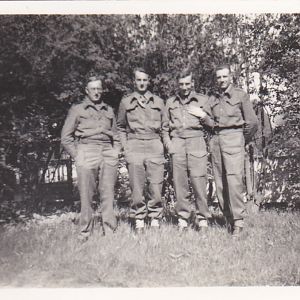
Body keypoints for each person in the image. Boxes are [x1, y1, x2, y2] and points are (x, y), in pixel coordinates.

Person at [188, 64, 258, 237]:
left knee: (234, 182)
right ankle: (228, 218)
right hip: (216, 140)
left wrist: (241, 140)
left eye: (224, 76)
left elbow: (252, 123)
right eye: (218, 77)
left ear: (230, 77)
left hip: (234, 138)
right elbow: (212, 124)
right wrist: (204, 117)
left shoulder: (240, 95)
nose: (221, 80)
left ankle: (238, 223)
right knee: (220, 182)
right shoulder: (212, 99)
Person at [61, 76, 120, 241]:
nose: (96, 92)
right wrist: (77, 155)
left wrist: (116, 151)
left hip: (108, 152)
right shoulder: (77, 110)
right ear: (86, 91)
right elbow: (66, 137)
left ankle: (109, 230)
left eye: (98, 89)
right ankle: (84, 232)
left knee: (108, 192)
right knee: (86, 194)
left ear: (102, 90)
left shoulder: (108, 110)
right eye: (92, 89)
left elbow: (115, 134)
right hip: (87, 151)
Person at [162, 69, 214, 232]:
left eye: (187, 83)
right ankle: (183, 220)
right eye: (181, 84)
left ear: (192, 83)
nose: (184, 87)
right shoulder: (170, 102)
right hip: (177, 144)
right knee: (180, 184)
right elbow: (164, 128)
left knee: (199, 182)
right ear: (177, 85)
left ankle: (203, 219)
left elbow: (213, 125)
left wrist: (203, 116)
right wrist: (169, 145)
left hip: (196, 142)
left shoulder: (202, 100)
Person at [117, 68, 165, 232]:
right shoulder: (126, 102)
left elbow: (165, 126)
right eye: (139, 80)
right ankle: (139, 219)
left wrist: (164, 145)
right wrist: (126, 147)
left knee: (156, 185)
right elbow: (120, 127)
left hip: (154, 144)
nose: (142, 83)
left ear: (149, 81)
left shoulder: (158, 101)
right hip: (134, 144)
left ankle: (155, 218)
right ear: (134, 81)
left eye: (145, 80)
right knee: (137, 186)